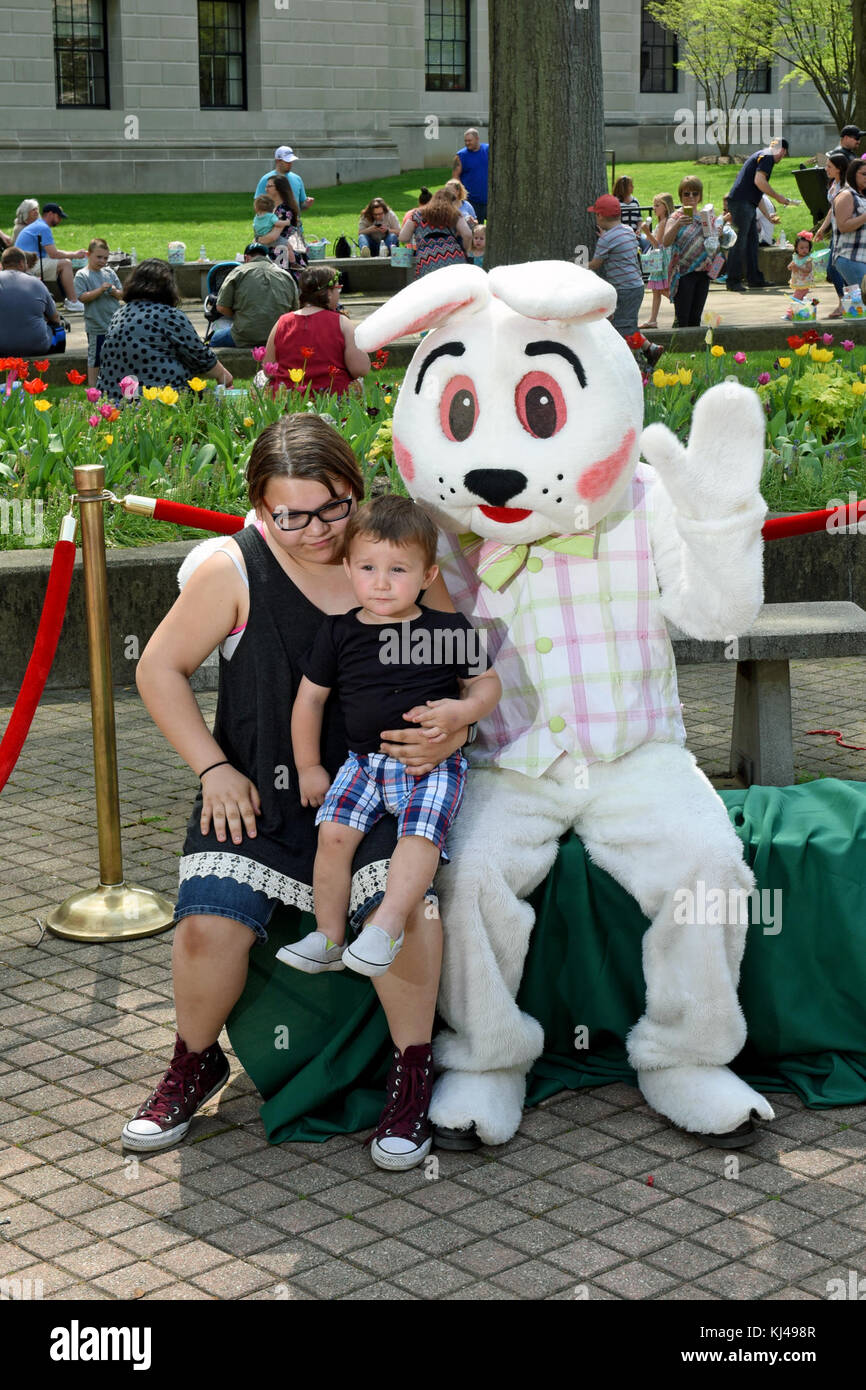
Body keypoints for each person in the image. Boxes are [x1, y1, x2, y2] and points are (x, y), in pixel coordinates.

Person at [123, 414, 472, 1170]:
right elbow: (156, 668)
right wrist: (213, 769)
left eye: (333, 506)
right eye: (292, 515)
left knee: (406, 907)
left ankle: (412, 1072)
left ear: (354, 486)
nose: (317, 530)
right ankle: (193, 1060)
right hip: (259, 792)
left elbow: (458, 665)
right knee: (206, 927)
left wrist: (455, 730)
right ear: (259, 505)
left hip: (385, 789)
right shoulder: (234, 569)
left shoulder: (396, 555)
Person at [284, 495, 500, 984]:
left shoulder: (449, 629)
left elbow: (487, 685)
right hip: (361, 764)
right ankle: (328, 936)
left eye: (398, 570)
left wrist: (464, 711)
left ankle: (387, 925)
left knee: (419, 836)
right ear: (348, 568)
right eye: (367, 567)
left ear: (427, 576)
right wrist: (309, 767)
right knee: (333, 835)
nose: (381, 582)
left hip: (432, 766)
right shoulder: (338, 633)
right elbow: (310, 702)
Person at [96, 258, 233, 400]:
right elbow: (199, 355)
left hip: (113, 399)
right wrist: (224, 376)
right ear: (169, 287)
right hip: (157, 400)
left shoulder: (119, 314)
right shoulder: (169, 315)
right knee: (211, 402)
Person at [264, 264, 369, 397]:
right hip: (333, 399)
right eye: (338, 288)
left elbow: (268, 370)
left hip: (290, 400)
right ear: (328, 293)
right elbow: (360, 369)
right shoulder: (342, 322)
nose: (339, 293)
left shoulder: (282, 322)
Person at [587, 193, 663, 369]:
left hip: (624, 289)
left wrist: (579, 265)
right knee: (626, 323)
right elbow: (617, 243)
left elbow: (596, 264)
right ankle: (650, 348)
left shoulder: (606, 239)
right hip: (636, 286)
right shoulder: (628, 231)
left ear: (599, 216)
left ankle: (638, 364)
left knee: (623, 328)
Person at [725, 137, 794, 292]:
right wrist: (778, 197)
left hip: (745, 201)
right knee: (739, 242)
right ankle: (733, 280)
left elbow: (757, 192)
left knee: (751, 242)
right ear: (782, 150)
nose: (783, 157)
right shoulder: (768, 157)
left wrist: (768, 216)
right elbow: (760, 181)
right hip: (741, 202)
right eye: (784, 154)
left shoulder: (762, 155)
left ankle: (754, 278)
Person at [211, 243, 299, 349]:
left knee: (215, 339)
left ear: (246, 258)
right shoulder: (286, 276)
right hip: (279, 337)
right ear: (265, 256)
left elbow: (221, 307)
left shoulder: (238, 272)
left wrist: (238, 316)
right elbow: (294, 310)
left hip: (243, 336)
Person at [662, 176, 715, 327]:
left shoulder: (706, 216)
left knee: (696, 317)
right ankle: (677, 347)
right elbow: (666, 242)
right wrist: (678, 225)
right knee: (682, 317)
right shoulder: (676, 217)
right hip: (684, 273)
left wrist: (719, 231)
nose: (691, 197)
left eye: (695, 193)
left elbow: (714, 244)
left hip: (703, 271)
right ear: (681, 196)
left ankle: (693, 350)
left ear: (700, 196)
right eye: (686, 194)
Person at [14, 201, 85, 312]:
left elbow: (52, 252)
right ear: (51, 214)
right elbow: (54, 254)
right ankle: (73, 302)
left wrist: (73, 253)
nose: (60, 220)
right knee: (66, 264)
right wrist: (74, 255)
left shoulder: (38, 225)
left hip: (23, 263)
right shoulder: (43, 227)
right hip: (27, 265)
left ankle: (69, 300)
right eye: (59, 216)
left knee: (63, 262)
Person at [73, 238, 124, 387]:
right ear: (88, 254)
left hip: (115, 324)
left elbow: (122, 294)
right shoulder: (82, 275)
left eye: (106, 258)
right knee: (95, 358)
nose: (102, 261)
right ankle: (93, 388)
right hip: (96, 325)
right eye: (99, 257)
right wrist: (100, 290)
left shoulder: (109, 273)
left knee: (116, 356)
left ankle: (114, 384)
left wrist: (114, 291)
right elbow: (82, 297)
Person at [0, 246, 62, 356]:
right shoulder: (36, 283)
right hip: (36, 346)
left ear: (2, 264)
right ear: (21, 263)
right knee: (56, 327)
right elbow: (55, 317)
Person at [399, 188, 472, 279]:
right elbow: (468, 234)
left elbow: (403, 237)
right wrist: (466, 248)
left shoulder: (417, 214)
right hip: (453, 256)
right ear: (452, 202)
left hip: (427, 259)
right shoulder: (454, 214)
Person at [814, 151, 850, 317]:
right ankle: (846, 302)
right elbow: (832, 209)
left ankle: (845, 302)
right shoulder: (834, 184)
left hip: (845, 233)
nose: (826, 168)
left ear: (839, 169)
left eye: (829, 166)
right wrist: (822, 229)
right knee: (834, 268)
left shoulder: (846, 187)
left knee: (835, 268)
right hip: (835, 232)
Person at [829, 156, 866, 292]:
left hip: (861, 258)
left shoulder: (862, 196)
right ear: (852, 174)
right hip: (850, 257)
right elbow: (843, 226)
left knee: (858, 306)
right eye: (863, 174)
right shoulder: (846, 195)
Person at [255, 145, 314, 229]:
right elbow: (258, 206)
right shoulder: (266, 179)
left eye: (291, 161)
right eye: (287, 161)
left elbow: (300, 206)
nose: (290, 164)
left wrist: (307, 205)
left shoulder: (297, 179)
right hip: (273, 228)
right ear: (278, 161)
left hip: (295, 228)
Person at [639, 193, 674, 328]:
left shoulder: (665, 222)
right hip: (661, 259)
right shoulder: (662, 222)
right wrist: (645, 234)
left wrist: (647, 232)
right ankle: (653, 319)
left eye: (657, 205)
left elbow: (658, 244)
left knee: (661, 289)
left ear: (665, 207)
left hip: (662, 260)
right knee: (656, 290)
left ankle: (682, 304)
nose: (654, 208)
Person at [261, 175, 305, 274]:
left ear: (278, 189)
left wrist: (258, 240)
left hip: (283, 258)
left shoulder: (284, 210)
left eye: (269, 186)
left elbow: (273, 236)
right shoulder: (271, 209)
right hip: (273, 254)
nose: (265, 189)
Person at [452, 128, 489, 222]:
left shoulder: (488, 150)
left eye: (469, 140)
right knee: (475, 231)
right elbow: (455, 177)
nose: (467, 143)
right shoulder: (460, 156)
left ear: (477, 139)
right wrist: (462, 194)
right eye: (465, 141)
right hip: (472, 201)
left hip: (489, 199)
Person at [786, 231, 815, 315]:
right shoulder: (795, 256)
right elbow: (791, 264)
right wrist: (790, 266)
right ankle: (807, 309)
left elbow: (809, 270)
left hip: (804, 282)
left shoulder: (808, 259)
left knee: (796, 297)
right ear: (796, 248)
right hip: (797, 281)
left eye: (806, 247)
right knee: (801, 298)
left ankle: (790, 313)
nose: (804, 250)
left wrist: (798, 268)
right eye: (801, 248)